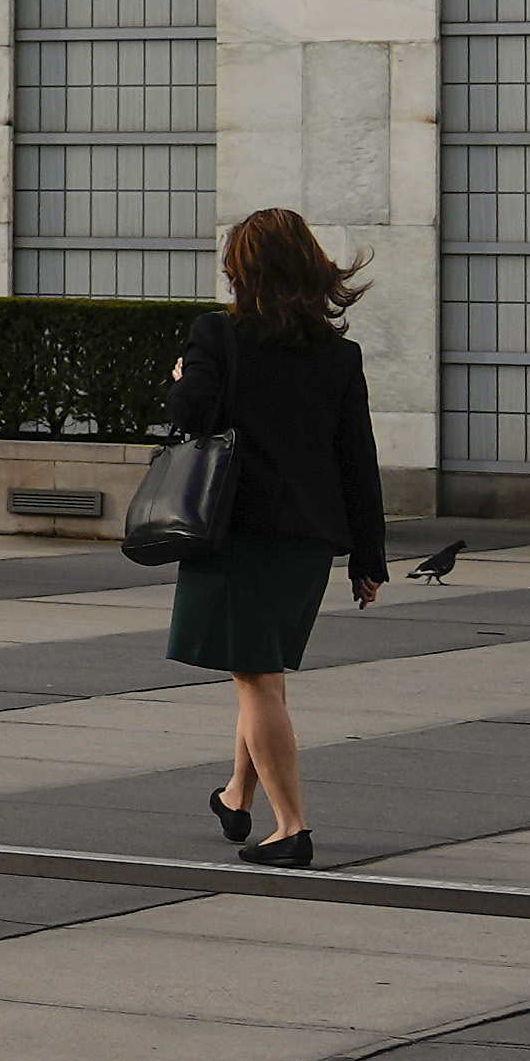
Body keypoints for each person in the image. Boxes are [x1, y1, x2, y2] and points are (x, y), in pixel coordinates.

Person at [169, 207, 393, 869]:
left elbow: (190, 421)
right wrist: (367, 557)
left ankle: (292, 827)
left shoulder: (218, 337)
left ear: (243, 270)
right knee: (261, 670)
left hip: (236, 535)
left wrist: (182, 378)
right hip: (305, 542)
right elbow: (359, 461)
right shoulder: (339, 356)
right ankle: (238, 794)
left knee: (257, 677)